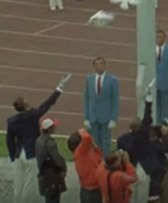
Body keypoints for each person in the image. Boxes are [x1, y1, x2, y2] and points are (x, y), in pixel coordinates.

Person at [7, 74, 69, 203]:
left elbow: (10, 141)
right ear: (25, 105)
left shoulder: (12, 121)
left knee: (18, 184)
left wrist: (12, 157)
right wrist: (59, 88)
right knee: (29, 184)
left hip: (19, 154)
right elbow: (47, 104)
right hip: (30, 153)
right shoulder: (33, 115)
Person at [83, 57, 120, 153]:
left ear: (104, 65)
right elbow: (87, 99)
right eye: (97, 64)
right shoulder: (89, 79)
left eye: (101, 63)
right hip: (93, 117)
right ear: (94, 66)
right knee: (95, 142)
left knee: (106, 142)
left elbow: (115, 100)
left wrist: (113, 119)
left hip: (106, 117)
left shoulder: (112, 80)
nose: (99, 66)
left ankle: (106, 160)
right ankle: (96, 160)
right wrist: (86, 117)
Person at [35, 117, 67, 203]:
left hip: (43, 174)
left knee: (48, 197)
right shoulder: (50, 143)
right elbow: (57, 159)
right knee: (54, 198)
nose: (55, 128)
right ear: (49, 129)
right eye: (53, 126)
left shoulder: (38, 140)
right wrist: (64, 168)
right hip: (52, 175)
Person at [67, 128, 103, 203]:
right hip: (90, 192)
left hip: (97, 189)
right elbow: (87, 138)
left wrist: (94, 145)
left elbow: (99, 156)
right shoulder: (80, 153)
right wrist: (82, 132)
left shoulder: (88, 153)